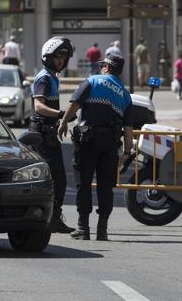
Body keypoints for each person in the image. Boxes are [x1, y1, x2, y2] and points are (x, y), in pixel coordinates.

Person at [58, 53, 134, 241]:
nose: (101, 68)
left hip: (88, 140)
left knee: (83, 183)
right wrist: (126, 153)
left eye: (103, 66)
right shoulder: (125, 94)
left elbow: (75, 103)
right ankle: (102, 230)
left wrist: (64, 122)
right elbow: (128, 128)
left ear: (107, 67)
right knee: (105, 186)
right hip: (110, 143)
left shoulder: (92, 81)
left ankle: (83, 228)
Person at [30, 37, 75, 234]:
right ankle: (51, 218)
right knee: (56, 178)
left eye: (63, 57)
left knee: (54, 178)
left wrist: (60, 122)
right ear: (48, 57)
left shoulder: (52, 76)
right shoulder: (44, 78)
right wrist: (60, 114)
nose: (60, 61)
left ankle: (48, 216)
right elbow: (38, 106)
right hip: (41, 135)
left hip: (47, 133)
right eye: (57, 57)